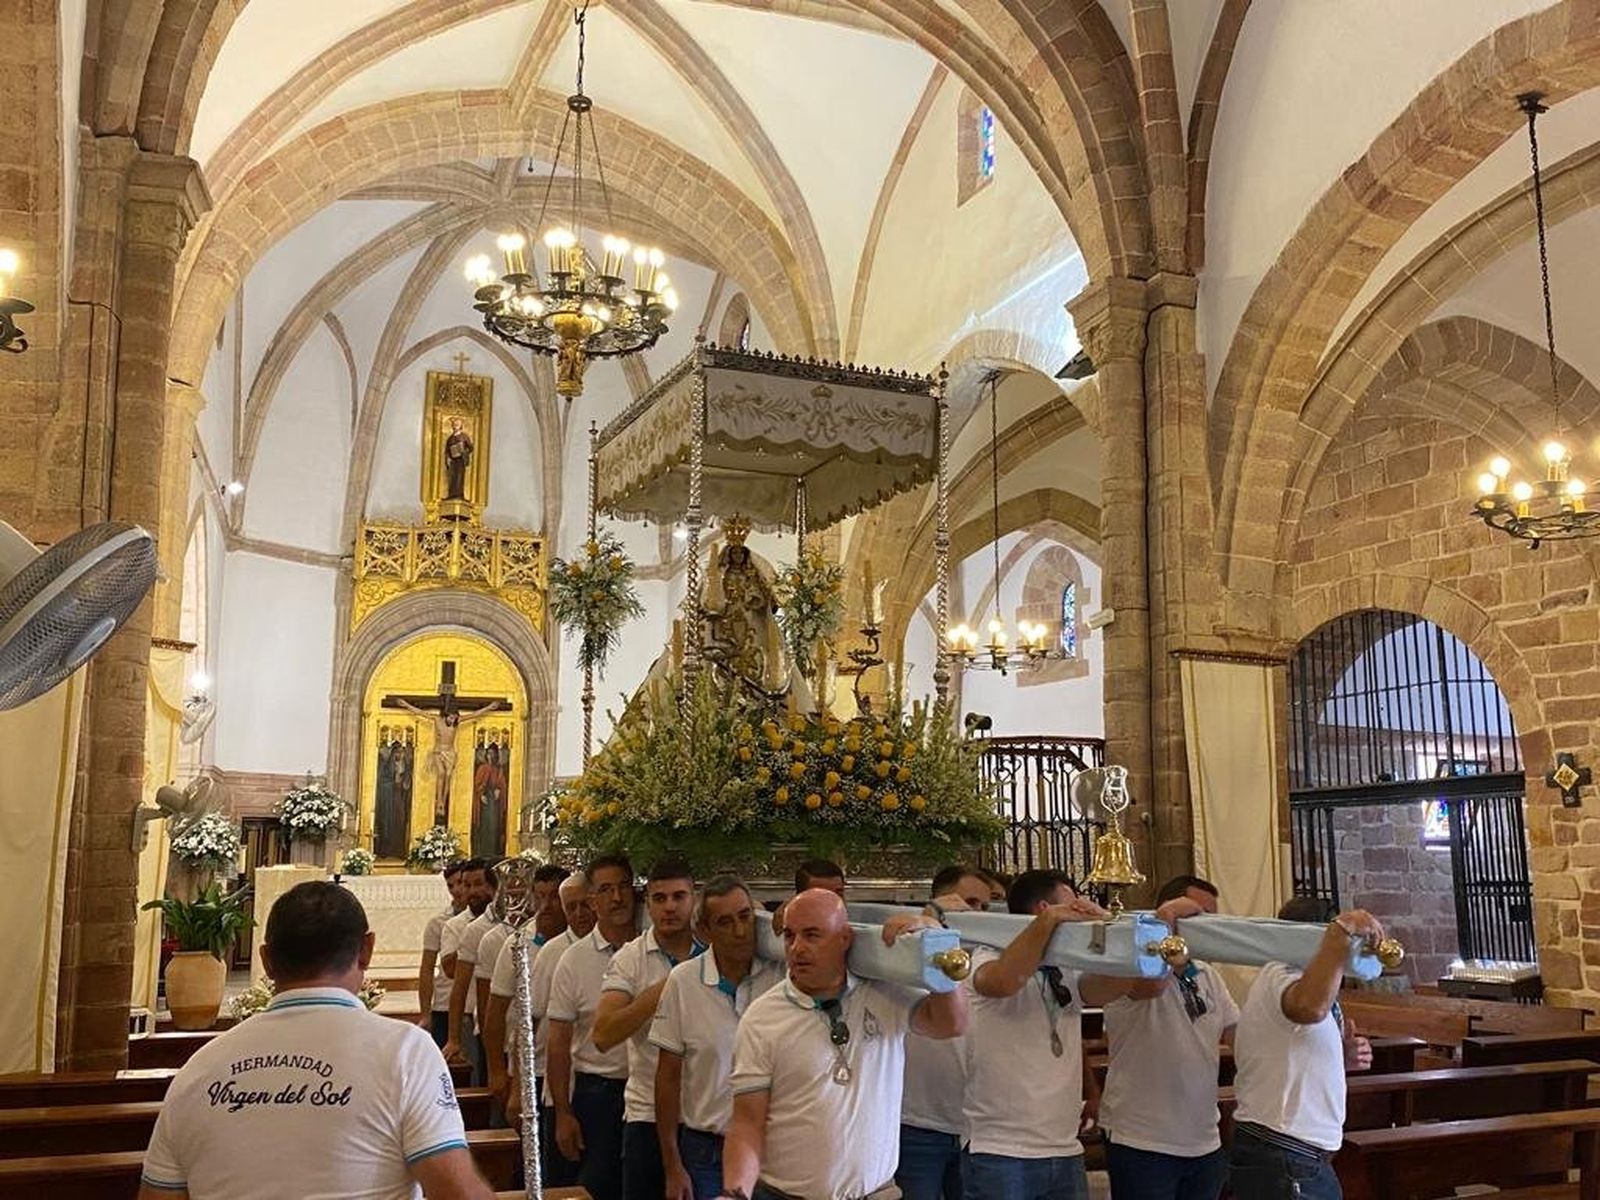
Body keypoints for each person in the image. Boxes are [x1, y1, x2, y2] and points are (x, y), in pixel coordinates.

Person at [137, 881, 494, 1200]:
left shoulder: (200, 1067)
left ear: (267, 960)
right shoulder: (406, 1052)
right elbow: (458, 1192)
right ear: (367, 949)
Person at [717, 888, 968, 1200]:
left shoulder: (883, 994)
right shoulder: (762, 1018)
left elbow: (951, 1023)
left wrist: (939, 947)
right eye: (790, 936)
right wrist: (734, 1192)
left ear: (844, 939)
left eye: (812, 935)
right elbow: (747, 1122)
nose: (797, 948)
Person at [1080, 875, 1239, 1200]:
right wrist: (1163, 921)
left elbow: (1239, 1037)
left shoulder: (1208, 975)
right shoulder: (1132, 966)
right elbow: (1151, 986)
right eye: (1199, 916)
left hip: (1202, 1136)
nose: (1208, 926)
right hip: (1142, 1137)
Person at [962, 869, 1108, 1200]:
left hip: (1063, 1146)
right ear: (1044, 909)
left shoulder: (1065, 966)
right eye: (1073, 907)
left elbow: (1106, 990)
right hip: (1001, 1151)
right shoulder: (986, 954)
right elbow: (1003, 982)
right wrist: (1047, 924)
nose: (1079, 913)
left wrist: (1108, 927)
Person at [1228, 898, 1379, 1200]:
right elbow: (1309, 1009)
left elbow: (1295, 1039)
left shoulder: (1303, 978)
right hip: (1284, 1151)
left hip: (1289, 1151)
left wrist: (1340, 1056)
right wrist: (1340, 934)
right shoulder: (1285, 972)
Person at [651, 875, 782, 1200]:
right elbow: (667, 1077)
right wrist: (671, 1165)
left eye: (745, 917)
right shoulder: (684, 982)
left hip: (773, 1148)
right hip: (706, 1149)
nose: (739, 931)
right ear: (705, 931)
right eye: (725, 922)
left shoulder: (781, 974)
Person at [594, 857, 704, 1200]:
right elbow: (603, 1035)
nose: (670, 906)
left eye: (679, 896)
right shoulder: (631, 958)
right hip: (647, 1116)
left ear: (694, 899)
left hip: (705, 1114)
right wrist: (672, 984)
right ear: (648, 902)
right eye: (660, 898)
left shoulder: (716, 951)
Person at [547, 852, 640, 1200]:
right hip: (598, 1094)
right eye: (606, 890)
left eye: (623, 887)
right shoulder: (573, 960)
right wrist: (563, 1114)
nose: (616, 898)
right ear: (592, 900)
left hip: (649, 1094)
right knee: (596, 1187)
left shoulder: (652, 948)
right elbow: (558, 1043)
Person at [499, 869, 595, 1188]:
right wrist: (516, 1087)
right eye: (572, 907)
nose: (579, 913)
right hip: (549, 1075)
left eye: (586, 904)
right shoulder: (553, 953)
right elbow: (526, 1023)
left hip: (596, 1082)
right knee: (559, 1175)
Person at [898, 866, 986, 1200]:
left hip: (973, 1127)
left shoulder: (986, 955)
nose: (976, 913)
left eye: (983, 906)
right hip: (918, 1124)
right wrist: (930, 918)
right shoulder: (915, 951)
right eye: (969, 903)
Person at [444, 858, 499, 1083]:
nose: (472, 891)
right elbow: (458, 984)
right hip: (484, 1024)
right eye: (468, 885)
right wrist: (454, 1038)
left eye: (479, 884)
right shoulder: (472, 929)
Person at [419, 861, 469, 1045]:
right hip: (444, 1002)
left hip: (472, 1004)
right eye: (450, 885)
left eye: (460, 883)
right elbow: (426, 968)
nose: (456, 890)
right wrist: (425, 1013)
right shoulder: (437, 922)